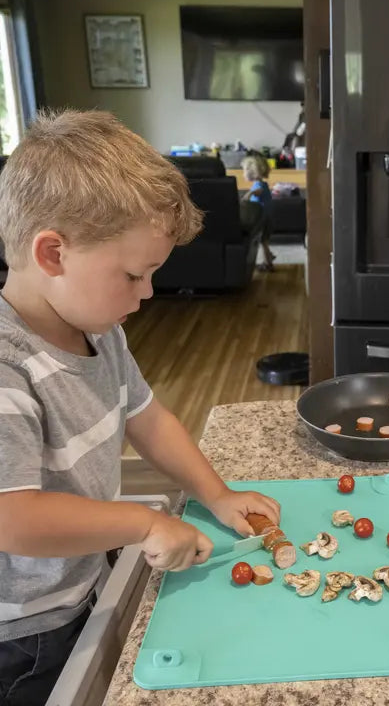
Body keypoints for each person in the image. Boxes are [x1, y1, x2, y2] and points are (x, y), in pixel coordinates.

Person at [0, 110, 281, 705]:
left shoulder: (99, 329)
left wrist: (217, 494)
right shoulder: (7, 366)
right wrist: (145, 522)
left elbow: (147, 418)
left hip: (79, 579)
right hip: (24, 630)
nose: (148, 293)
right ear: (52, 253)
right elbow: (15, 520)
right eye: (133, 274)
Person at [241, 152, 276, 272]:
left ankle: (268, 263)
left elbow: (258, 191)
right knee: (264, 241)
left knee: (263, 242)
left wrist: (248, 195)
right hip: (267, 217)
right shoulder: (262, 183)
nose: (243, 174)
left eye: (244, 171)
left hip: (263, 219)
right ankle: (269, 257)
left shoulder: (258, 185)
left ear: (252, 172)